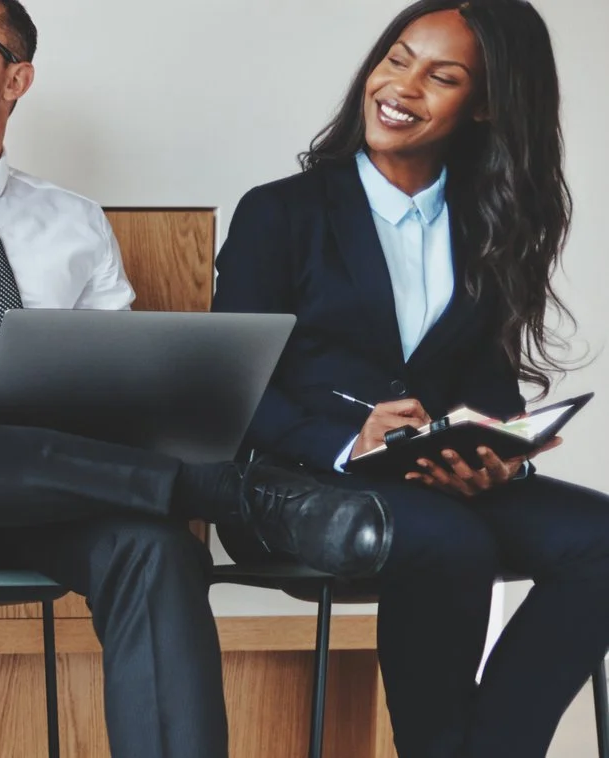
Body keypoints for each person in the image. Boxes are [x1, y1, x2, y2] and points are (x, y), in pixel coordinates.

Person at [0, 1, 396, 755]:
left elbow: (126, 393)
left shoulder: (76, 222)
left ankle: (209, 496)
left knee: (157, 549)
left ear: (17, 78)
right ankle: (236, 494)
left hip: (60, 503)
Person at [212, 2, 609, 756]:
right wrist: (346, 439)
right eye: (397, 58)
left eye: (442, 75)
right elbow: (237, 391)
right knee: (448, 540)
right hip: (297, 478)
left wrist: (496, 449)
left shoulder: (491, 223)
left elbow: (488, 385)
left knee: (603, 540)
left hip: (432, 481)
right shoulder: (281, 213)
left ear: (486, 104)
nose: (401, 86)